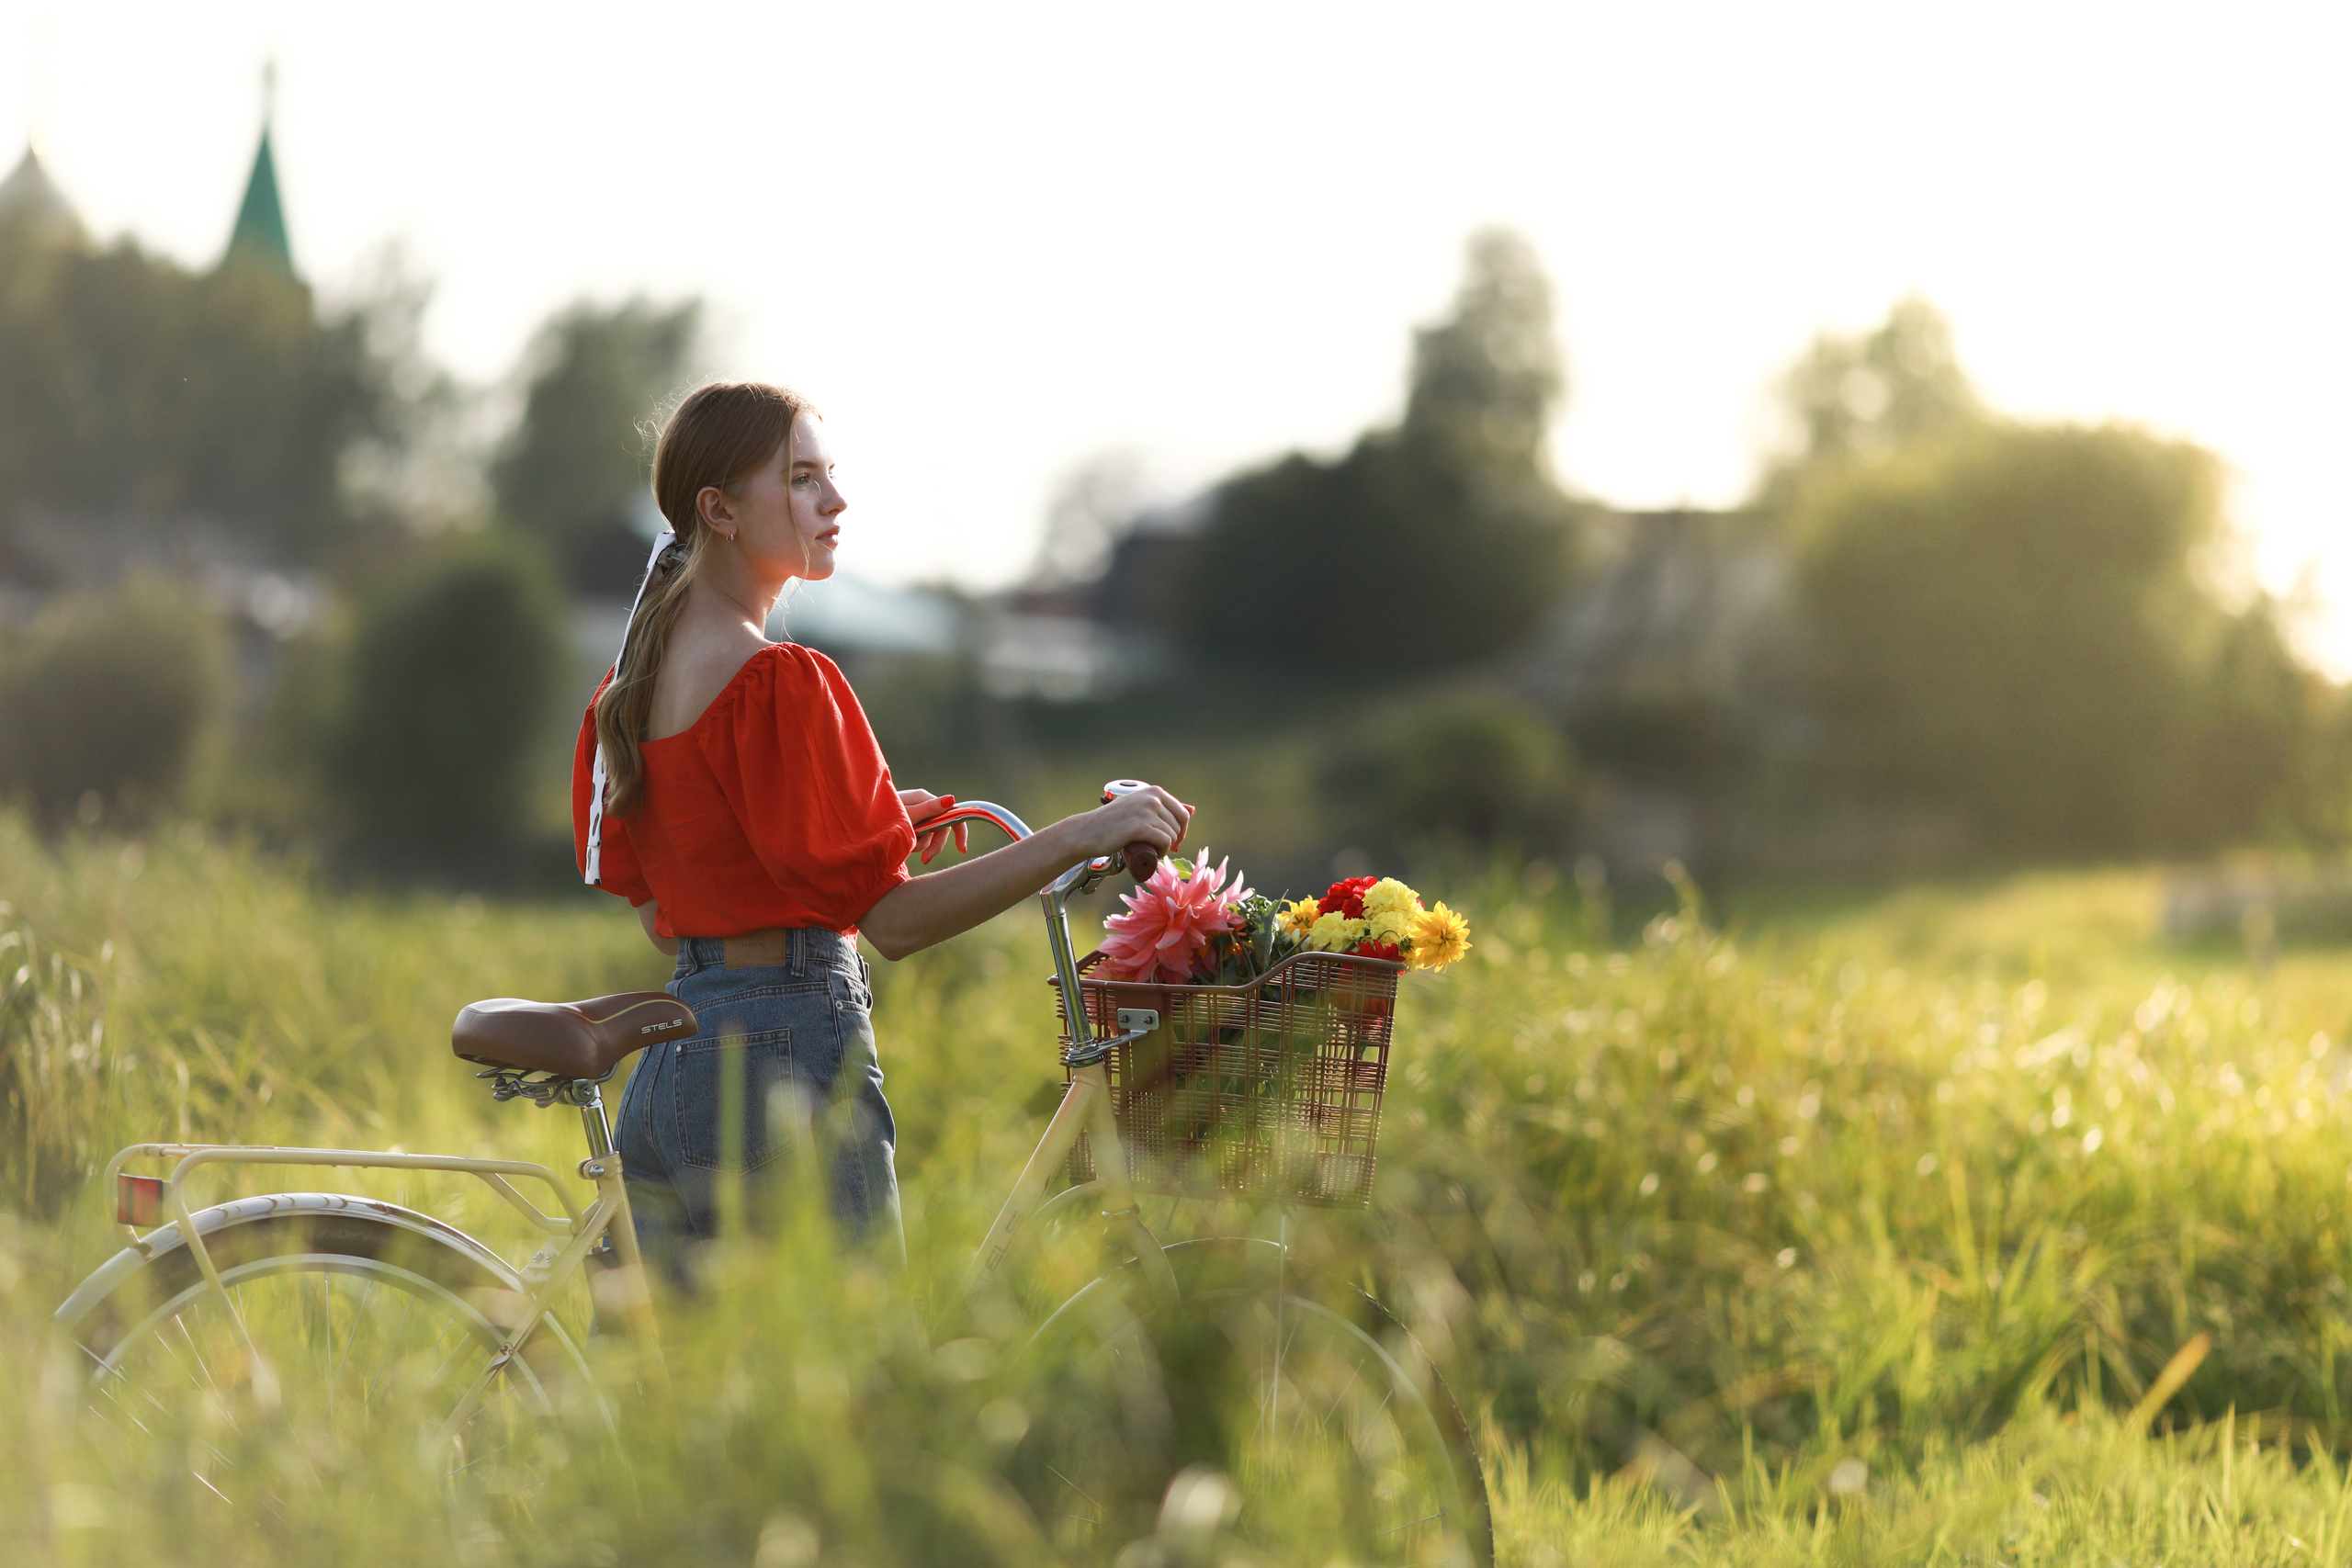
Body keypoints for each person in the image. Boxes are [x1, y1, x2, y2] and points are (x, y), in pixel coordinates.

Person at [571, 381, 1188, 1267]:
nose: (836, 499)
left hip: (675, 1062)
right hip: (786, 1060)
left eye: (830, 473)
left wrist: (852, 828)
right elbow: (892, 924)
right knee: (854, 1353)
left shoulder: (628, 689)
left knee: (694, 1358)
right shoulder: (779, 680)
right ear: (720, 511)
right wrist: (1080, 834)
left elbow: (668, 904)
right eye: (801, 478)